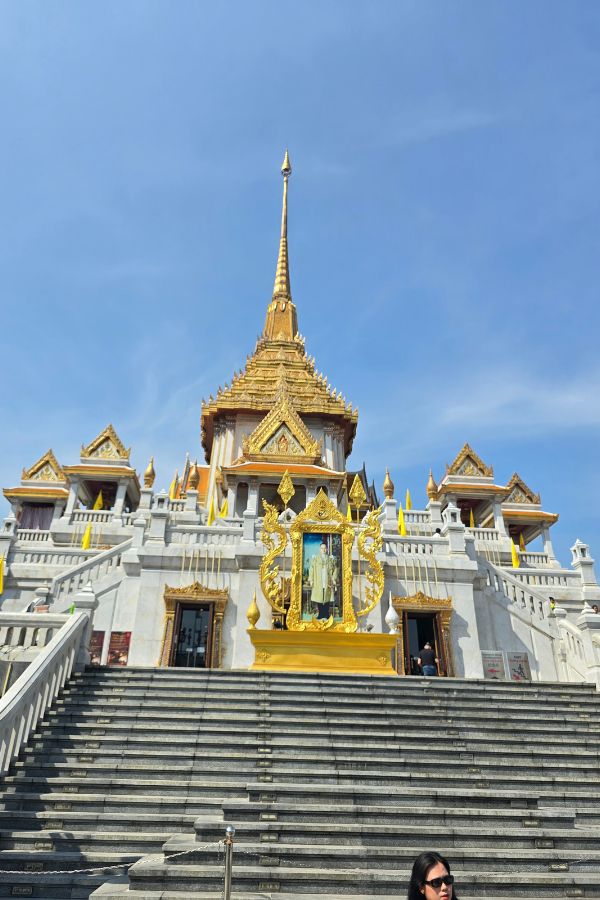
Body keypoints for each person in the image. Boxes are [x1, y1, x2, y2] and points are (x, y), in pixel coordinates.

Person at [308, 539, 338, 619]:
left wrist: (334, 578)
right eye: (322, 548)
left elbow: (335, 569)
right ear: (319, 549)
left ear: (327, 549)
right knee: (319, 597)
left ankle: (326, 614)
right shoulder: (315, 558)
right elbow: (311, 569)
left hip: (327, 580)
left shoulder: (330, 559)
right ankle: (321, 614)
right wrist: (311, 579)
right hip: (318, 581)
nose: (323, 550)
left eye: (325, 548)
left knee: (327, 597)